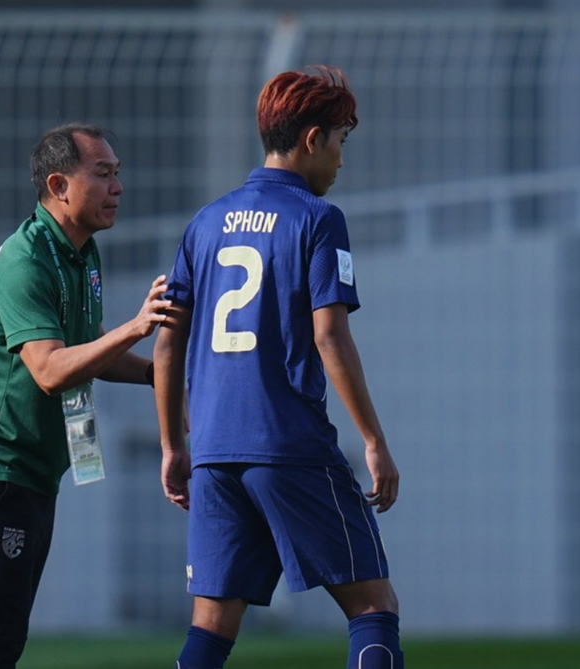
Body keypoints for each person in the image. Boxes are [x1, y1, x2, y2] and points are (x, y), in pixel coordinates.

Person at [154, 66, 404, 669]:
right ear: (312, 139)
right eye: (340, 141)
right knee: (373, 605)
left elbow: (166, 344)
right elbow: (329, 335)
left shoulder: (205, 222)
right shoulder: (319, 218)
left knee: (212, 621)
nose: (341, 159)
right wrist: (373, 440)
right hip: (288, 443)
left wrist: (173, 445)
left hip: (214, 450)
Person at [0, 122, 170, 669]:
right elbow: (48, 369)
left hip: (35, 469)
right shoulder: (25, 262)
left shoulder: (81, 252)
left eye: (117, 174)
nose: (118, 188)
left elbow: (87, 349)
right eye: (103, 174)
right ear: (59, 186)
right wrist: (137, 328)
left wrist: (158, 376)